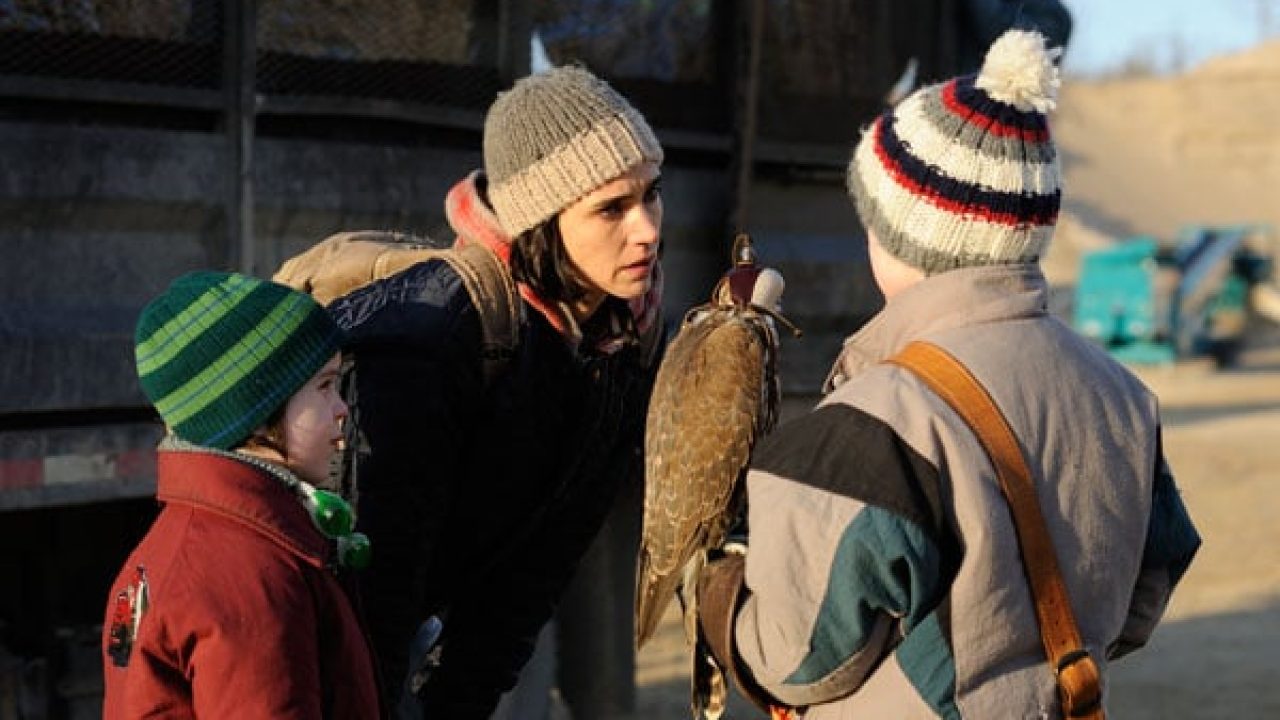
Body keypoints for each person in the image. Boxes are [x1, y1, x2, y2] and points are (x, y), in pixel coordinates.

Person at [695, 29, 1201, 718]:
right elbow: (1148, 589)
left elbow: (797, 661)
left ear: (902, 235)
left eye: (870, 218)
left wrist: (723, 579)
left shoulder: (876, 422)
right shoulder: (1126, 397)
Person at [326, 64, 664, 718]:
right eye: (611, 208)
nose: (647, 228)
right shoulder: (434, 336)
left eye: (651, 193)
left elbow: (533, 578)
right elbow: (375, 593)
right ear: (540, 221)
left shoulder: (626, 338)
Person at [101, 271, 379, 718]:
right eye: (325, 387)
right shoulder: (249, 574)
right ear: (254, 411)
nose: (342, 409)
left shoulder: (193, 540)